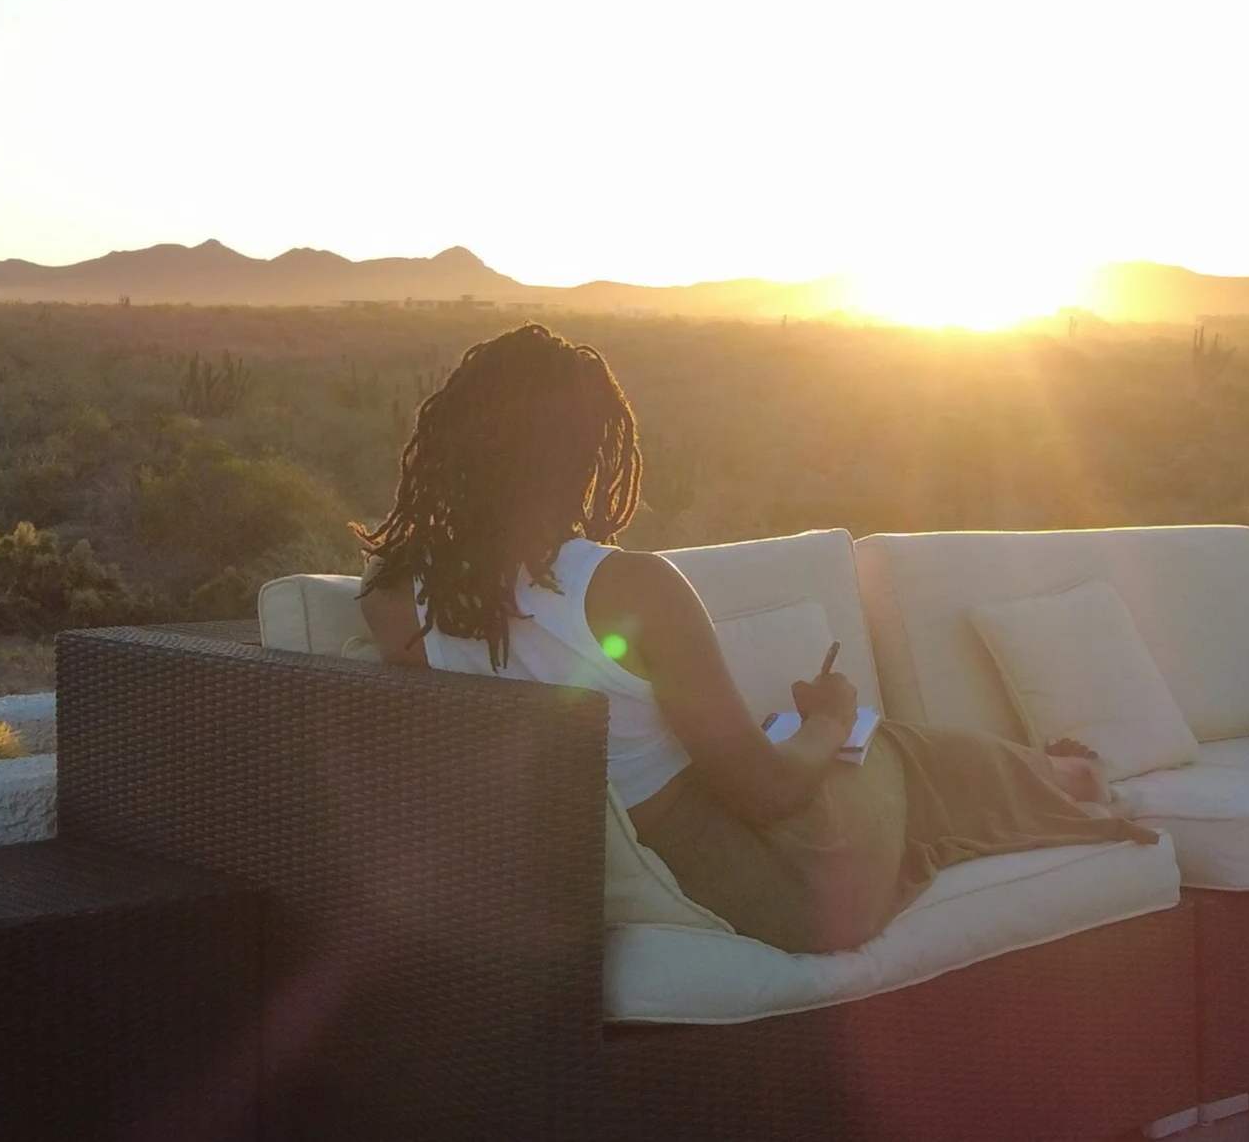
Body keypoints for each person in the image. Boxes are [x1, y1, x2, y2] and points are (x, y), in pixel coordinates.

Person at [355, 324, 1152, 954]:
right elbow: (766, 792)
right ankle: (1067, 780)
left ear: (457, 445)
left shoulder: (401, 600)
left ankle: (1050, 777)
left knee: (869, 761)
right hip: (775, 893)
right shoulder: (630, 589)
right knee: (882, 746)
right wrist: (826, 719)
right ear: (586, 453)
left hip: (579, 872)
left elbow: (410, 602)